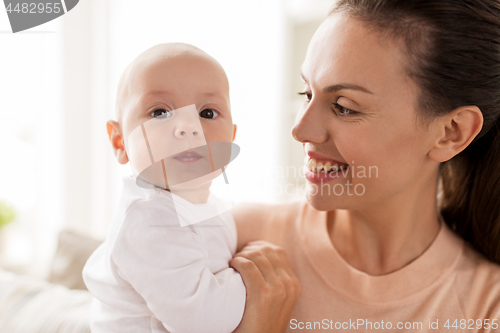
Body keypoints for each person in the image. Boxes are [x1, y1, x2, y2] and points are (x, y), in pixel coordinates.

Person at [230, 1, 500, 332]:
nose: (301, 130)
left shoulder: (486, 310)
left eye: (344, 107)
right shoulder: (233, 241)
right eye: (306, 92)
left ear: (451, 132)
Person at [82, 43, 246, 333]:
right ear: (120, 142)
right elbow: (208, 322)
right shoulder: (149, 218)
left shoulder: (210, 206)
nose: (188, 127)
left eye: (207, 113)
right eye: (160, 112)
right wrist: (250, 270)